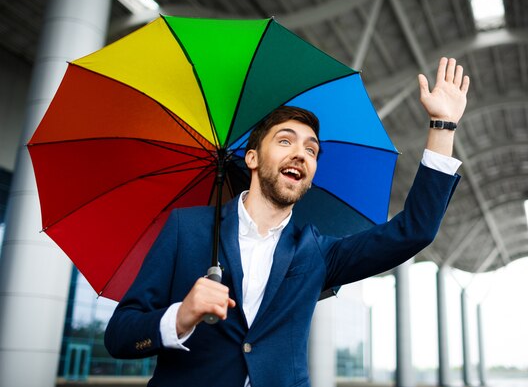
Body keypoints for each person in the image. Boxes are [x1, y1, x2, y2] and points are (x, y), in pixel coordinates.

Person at [105, 57, 470, 387]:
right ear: (251, 158)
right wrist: (181, 317)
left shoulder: (318, 252)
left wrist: (443, 126)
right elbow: (120, 335)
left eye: (311, 150)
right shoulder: (186, 229)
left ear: (310, 174)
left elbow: (414, 230)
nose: (301, 153)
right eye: (285, 141)